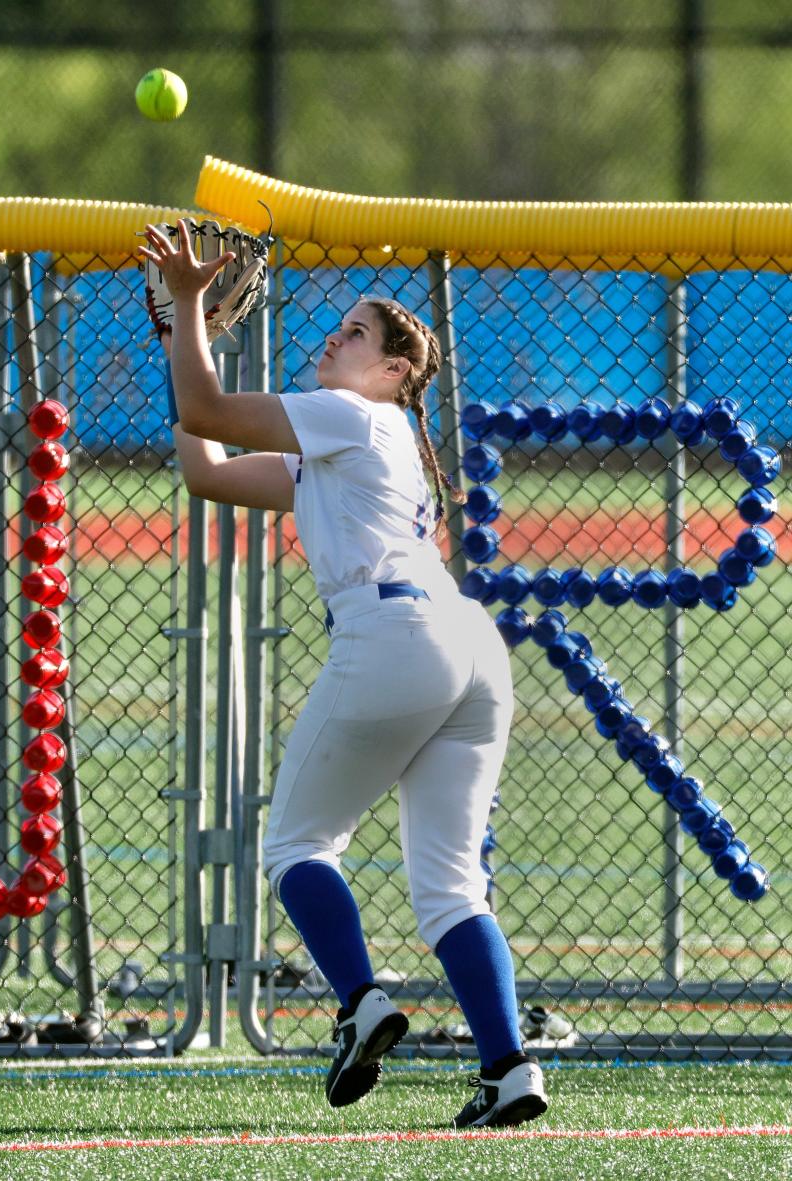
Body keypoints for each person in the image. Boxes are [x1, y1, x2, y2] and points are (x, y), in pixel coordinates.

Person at [140, 221, 549, 1128]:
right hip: (468, 646)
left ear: (395, 370)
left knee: (295, 848)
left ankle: (363, 1001)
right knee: (449, 885)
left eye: (357, 333)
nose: (335, 335)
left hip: (395, 633)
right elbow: (206, 468)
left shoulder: (355, 416)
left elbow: (207, 411)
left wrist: (188, 305)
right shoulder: (362, 439)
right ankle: (508, 1067)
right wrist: (183, 335)